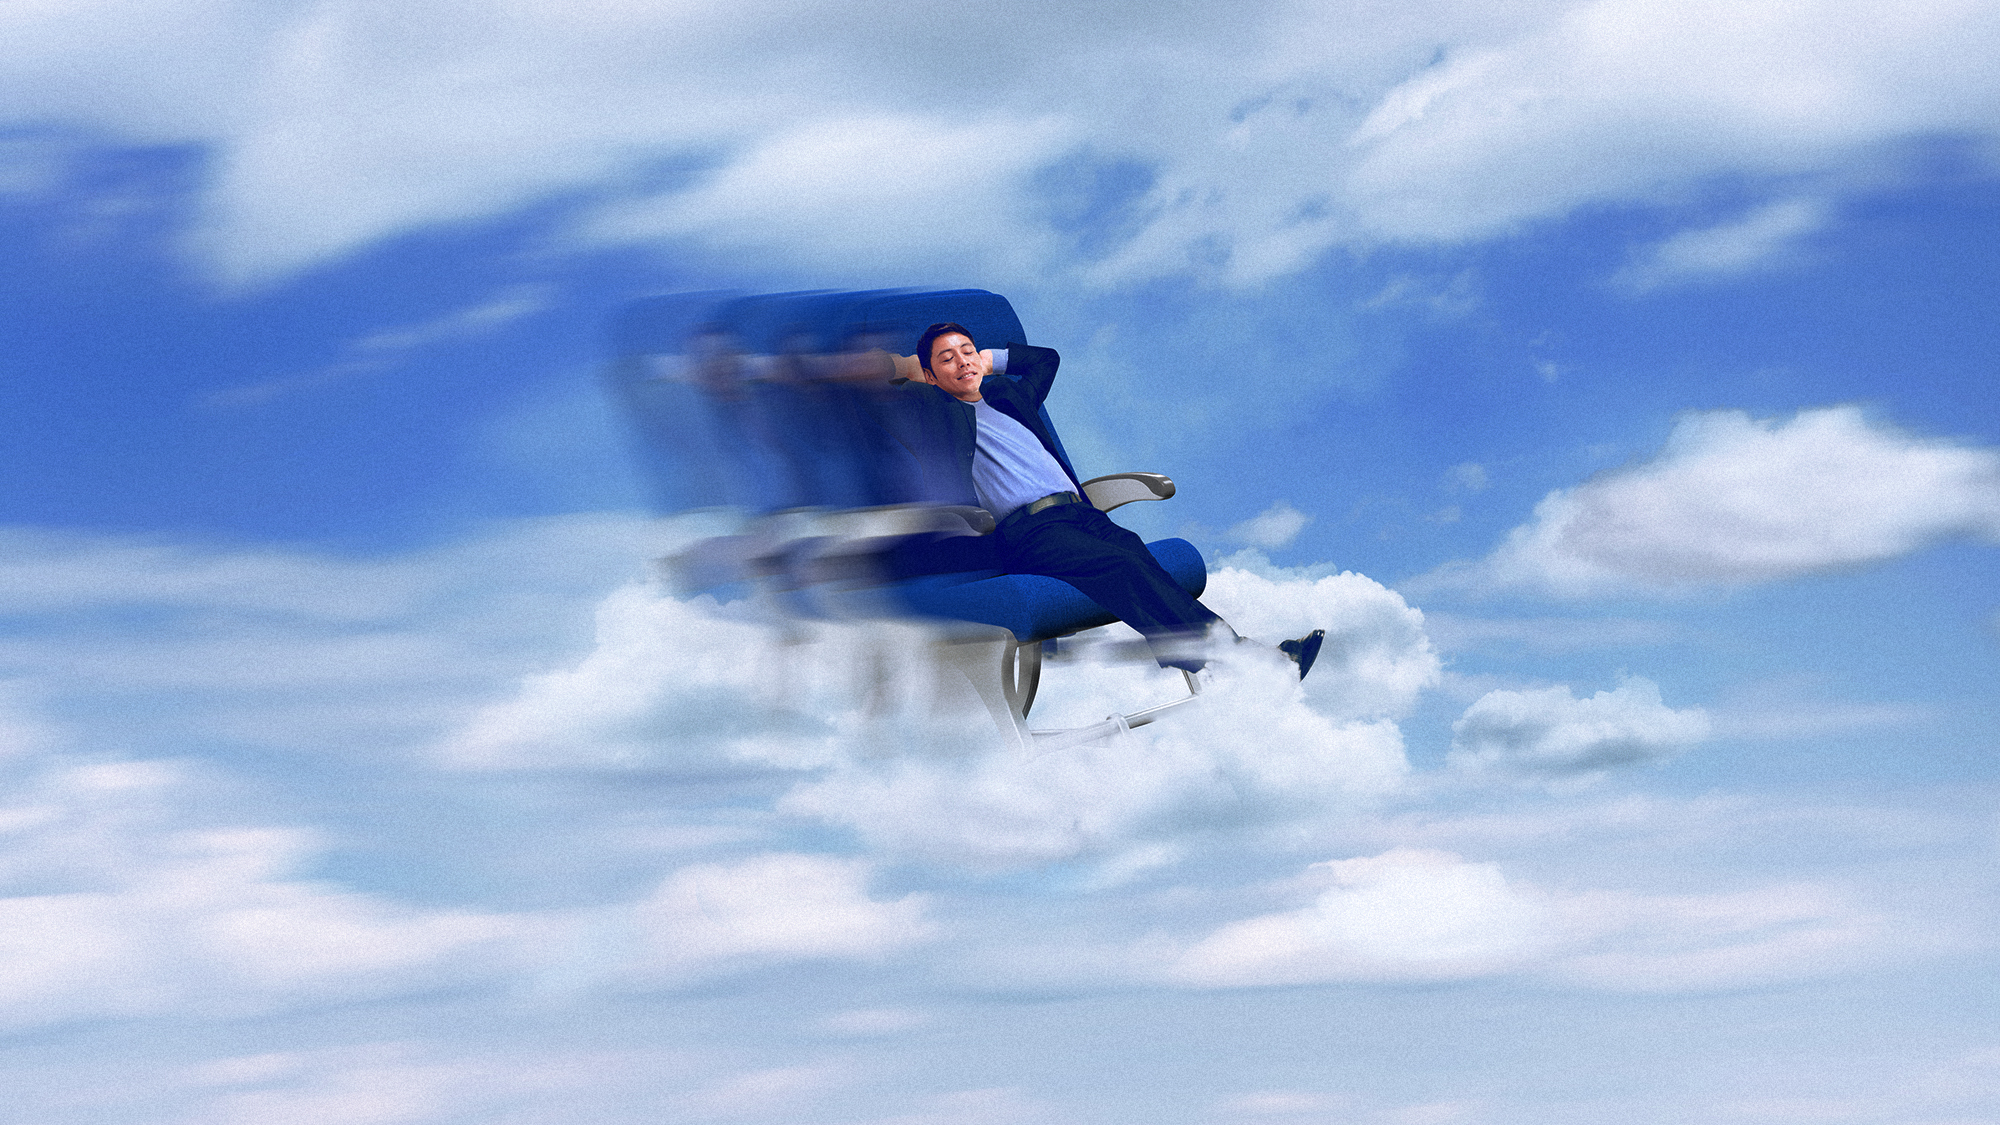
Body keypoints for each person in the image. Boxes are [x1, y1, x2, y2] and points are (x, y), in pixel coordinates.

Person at [887, 322, 1323, 678]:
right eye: (947, 358)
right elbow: (888, 402)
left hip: (1081, 516)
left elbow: (1046, 359)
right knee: (1123, 566)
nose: (962, 361)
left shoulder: (1010, 398)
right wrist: (909, 368)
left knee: (1133, 553)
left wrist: (990, 360)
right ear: (930, 376)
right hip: (1030, 533)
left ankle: (1204, 656)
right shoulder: (937, 420)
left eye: (968, 350)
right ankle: (1249, 661)